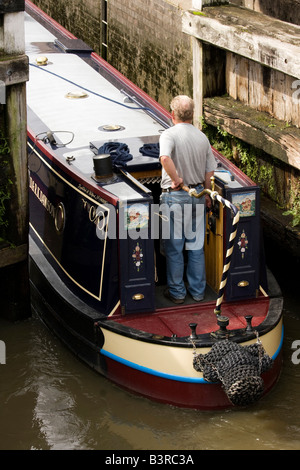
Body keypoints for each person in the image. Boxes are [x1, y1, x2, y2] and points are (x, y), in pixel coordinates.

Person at [159, 95, 217, 304]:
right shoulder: (202, 137)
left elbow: (165, 158)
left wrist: (176, 179)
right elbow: (209, 170)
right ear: (192, 114)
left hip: (176, 197)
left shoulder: (169, 135)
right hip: (198, 196)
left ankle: (177, 293)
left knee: (175, 248)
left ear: (172, 114)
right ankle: (198, 292)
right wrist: (208, 194)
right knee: (195, 246)